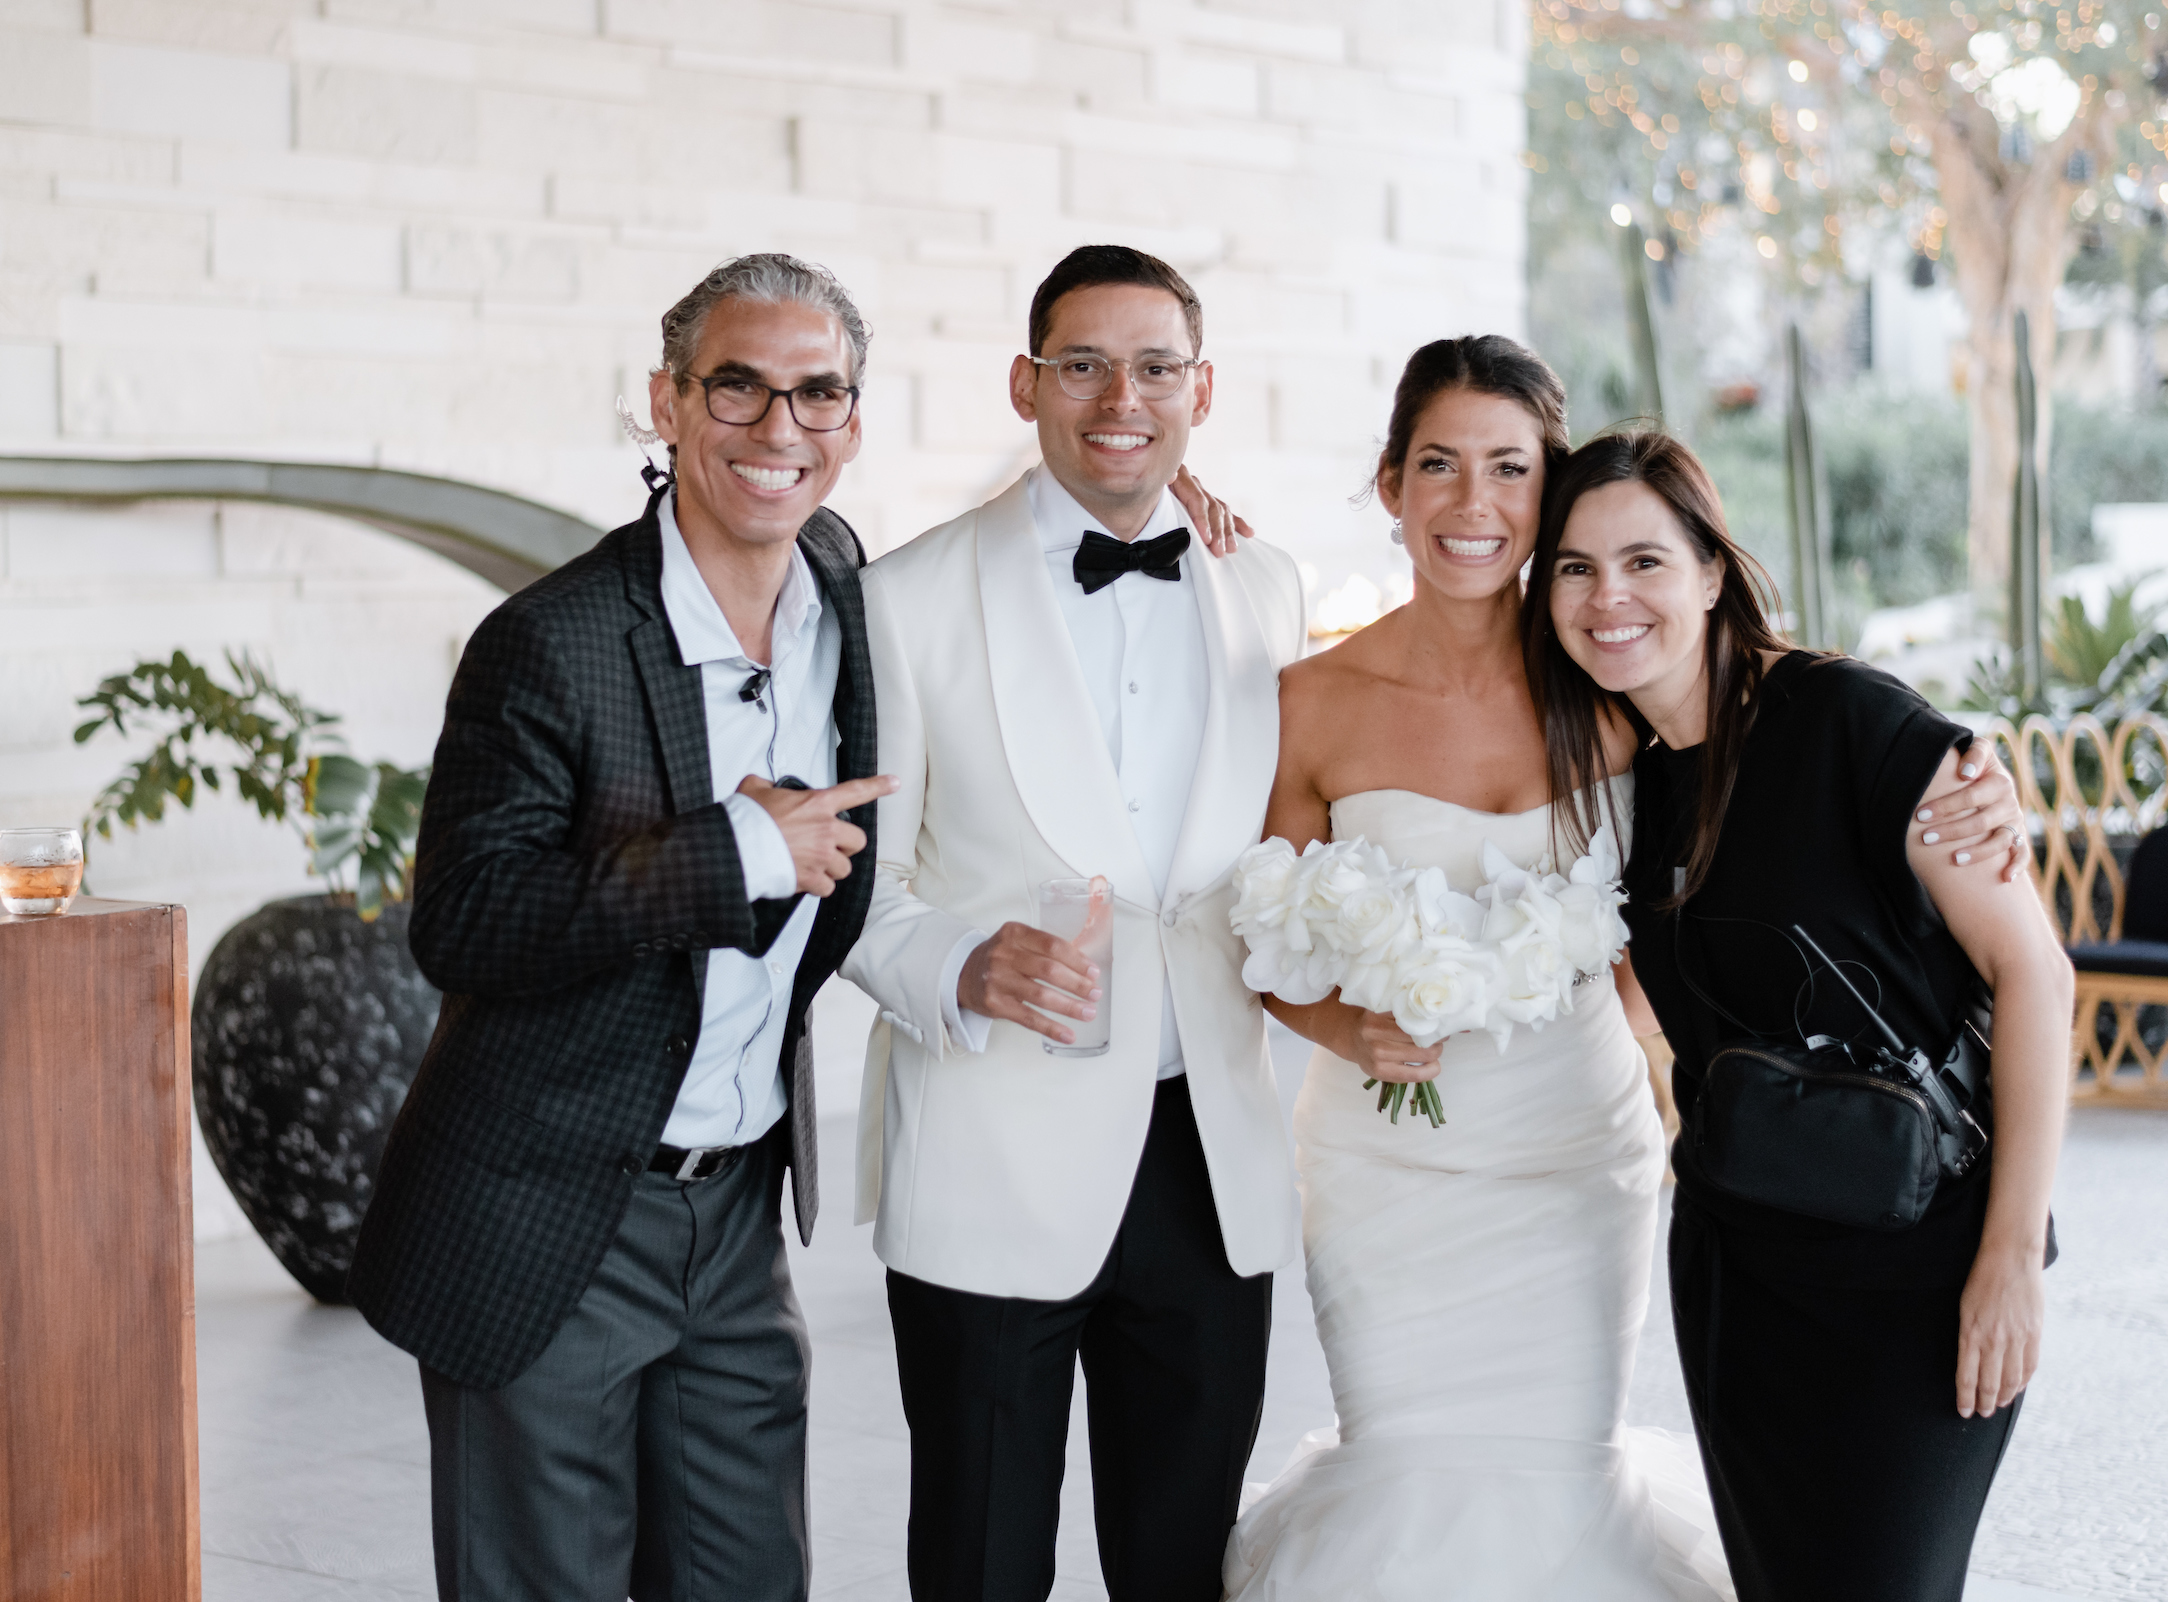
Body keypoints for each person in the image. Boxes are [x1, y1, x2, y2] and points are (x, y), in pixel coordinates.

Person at [1224, 338, 2032, 1600]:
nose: (1474, 501)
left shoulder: (1607, 683)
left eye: (1510, 468)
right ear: (1390, 483)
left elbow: (1764, 746)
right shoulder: (1309, 700)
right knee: (1410, 1480)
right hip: (1388, 1167)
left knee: (1564, 1485)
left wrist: (1970, 774)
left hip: (1572, 1148)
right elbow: (1265, 937)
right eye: (1438, 464)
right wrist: (1344, 1028)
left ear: (1549, 491)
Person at [349, 254, 896, 1602]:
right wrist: (737, 851)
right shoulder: (551, 640)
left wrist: (1175, 506)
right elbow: (465, 921)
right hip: (550, 1216)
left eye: (817, 393)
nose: (779, 427)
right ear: (667, 402)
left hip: (738, 1219)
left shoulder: (845, 583)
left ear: (851, 418)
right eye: (737, 387)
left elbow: (1001, 575)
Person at [1526, 429, 2073, 1602]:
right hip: (1741, 1271)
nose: (1609, 597)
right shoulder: (1625, 781)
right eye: (1575, 568)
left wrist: (2012, 1257)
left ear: (1712, 572)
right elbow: (1638, 1000)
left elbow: (2037, 974)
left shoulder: (1848, 722)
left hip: (1920, 1264)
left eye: (1643, 561)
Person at [837, 244, 1303, 1602]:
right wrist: (958, 963)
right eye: (1083, 365)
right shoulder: (905, 599)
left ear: (1201, 390)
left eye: (1155, 367)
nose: (1121, 398)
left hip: (1208, 1162)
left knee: (1184, 1565)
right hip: (993, 1154)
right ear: (1024, 384)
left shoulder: (1265, 586)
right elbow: (856, 879)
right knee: (980, 1564)